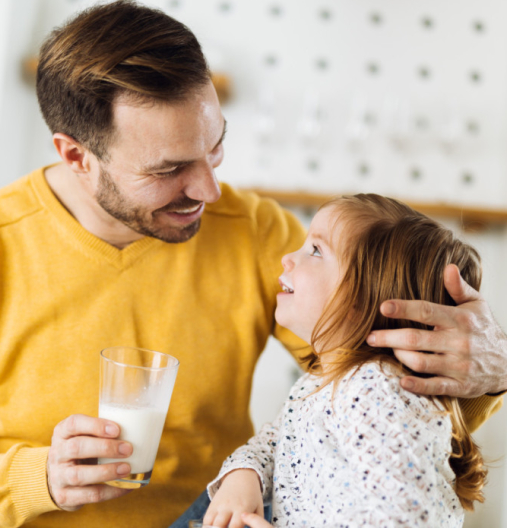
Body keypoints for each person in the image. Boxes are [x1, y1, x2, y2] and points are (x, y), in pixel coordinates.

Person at [0, 0, 502, 528]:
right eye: (168, 170)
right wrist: (38, 478)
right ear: (76, 156)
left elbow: (377, 398)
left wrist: (486, 371)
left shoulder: (256, 233)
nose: (208, 189)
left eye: (215, 147)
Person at [202, 194, 488, 528]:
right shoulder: (323, 382)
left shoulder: (376, 391)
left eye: (316, 251)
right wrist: (244, 475)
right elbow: (273, 444)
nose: (287, 259)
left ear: (366, 296)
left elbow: (404, 520)